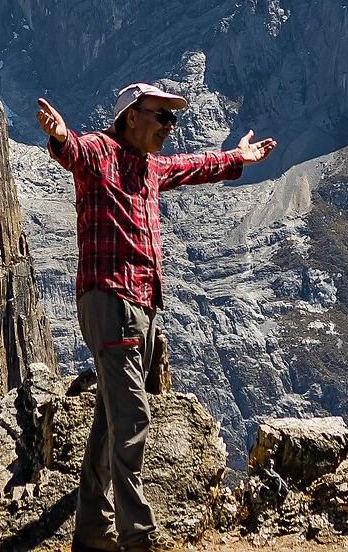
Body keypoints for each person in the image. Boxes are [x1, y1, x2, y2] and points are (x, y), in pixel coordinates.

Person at [36, 84, 276, 552]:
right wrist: (61, 136)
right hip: (113, 301)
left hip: (140, 305)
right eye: (161, 118)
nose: (170, 127)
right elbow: (75, 153)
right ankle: (137, 539)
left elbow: (192, 167)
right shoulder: (103, 154)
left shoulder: (148, 168)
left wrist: (237, 159)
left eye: (172, 120)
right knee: (133, 416)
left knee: (111, 417)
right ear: (131, 117)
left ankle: (90, 532)